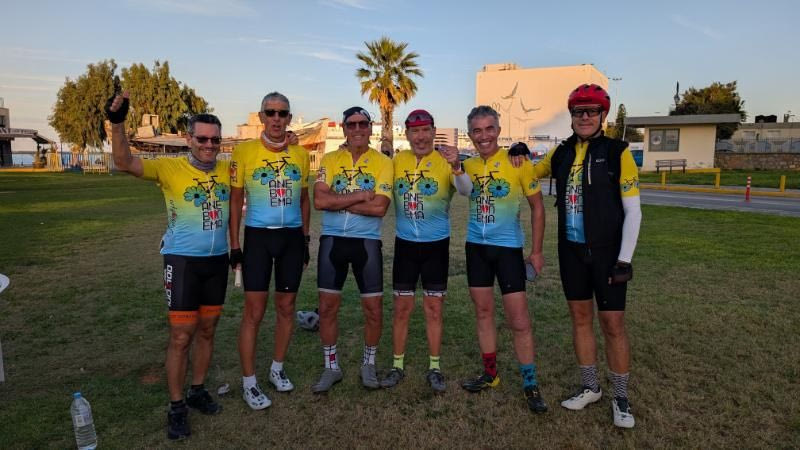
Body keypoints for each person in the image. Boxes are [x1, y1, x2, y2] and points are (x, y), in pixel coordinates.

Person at [510, 83, 642, 428]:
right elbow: (531, 172)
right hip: (571, 251)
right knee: (580, 319)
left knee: (613, 325)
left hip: (608, 253)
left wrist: (625, 259)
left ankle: (621, 397)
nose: (584, 117)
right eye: (578, 111)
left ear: (602, 116)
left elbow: (634, 211)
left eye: (591, 111)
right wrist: (519, 151)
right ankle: (590, 387)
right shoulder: (562, 152)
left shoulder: (618, 152)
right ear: (571, 116)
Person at [106, 92, 229, 440]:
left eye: (214, 140)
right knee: (181, 336)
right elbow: (123, 161)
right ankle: (176, 407)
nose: (209, 145)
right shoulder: (169, 167)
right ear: (189, 139)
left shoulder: (228, 169)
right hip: (183, 261)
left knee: (208, 330)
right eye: (202, 139)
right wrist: (118, 124)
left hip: (218, 261)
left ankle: (197, 390)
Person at [457, 105, 548, 413]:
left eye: (489, 129)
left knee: (519, 320)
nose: (484, 136)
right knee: (483, 312)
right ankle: (490, 374)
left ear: (498, 130)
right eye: (477, 130)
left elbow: (538, 207)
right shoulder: (466, 166)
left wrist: (536, 251)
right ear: (470, 134)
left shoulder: (517, 161)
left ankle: (530, 383)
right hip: (476, 249)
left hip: (508, 249)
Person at [379, 110, 472, 393]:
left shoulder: (445, 160)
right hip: (405, 245)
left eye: (425, 130)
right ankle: (397, 366)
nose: (420, 137)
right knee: (401, 309)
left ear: (433, 132)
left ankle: (434, 367)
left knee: (433, 309)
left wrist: (457, 166)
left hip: (436, 246)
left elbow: (466, 190)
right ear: (407, 134)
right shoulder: (397, 161)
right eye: (414, 131)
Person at [229, 92, 310, 410]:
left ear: (289, 118)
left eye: (282, 113)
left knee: (287, 307)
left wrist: (306, 239)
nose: (277, 118)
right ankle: (249, 382)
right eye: (271, 112)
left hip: (291, 238)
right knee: (254, 312)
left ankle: (277, 368)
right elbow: (236, 200)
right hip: (258, 238)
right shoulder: (244, 151)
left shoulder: (301, 154)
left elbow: (304, 199)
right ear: (261, 116)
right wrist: (235, 245)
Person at [311, 107, 393, 393]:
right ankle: (331, 367)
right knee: (327, 307)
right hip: (332, 241)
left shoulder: (383, 162)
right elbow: (319, 201)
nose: (357, 129)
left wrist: (338, 200)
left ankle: (368, 364)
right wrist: (360, 195)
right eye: (352, 124)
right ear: (344, 129)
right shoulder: (330, 159)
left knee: (373, 309)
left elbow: (380, 208)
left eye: (363, 124)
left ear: (370, 128)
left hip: (366, 242)